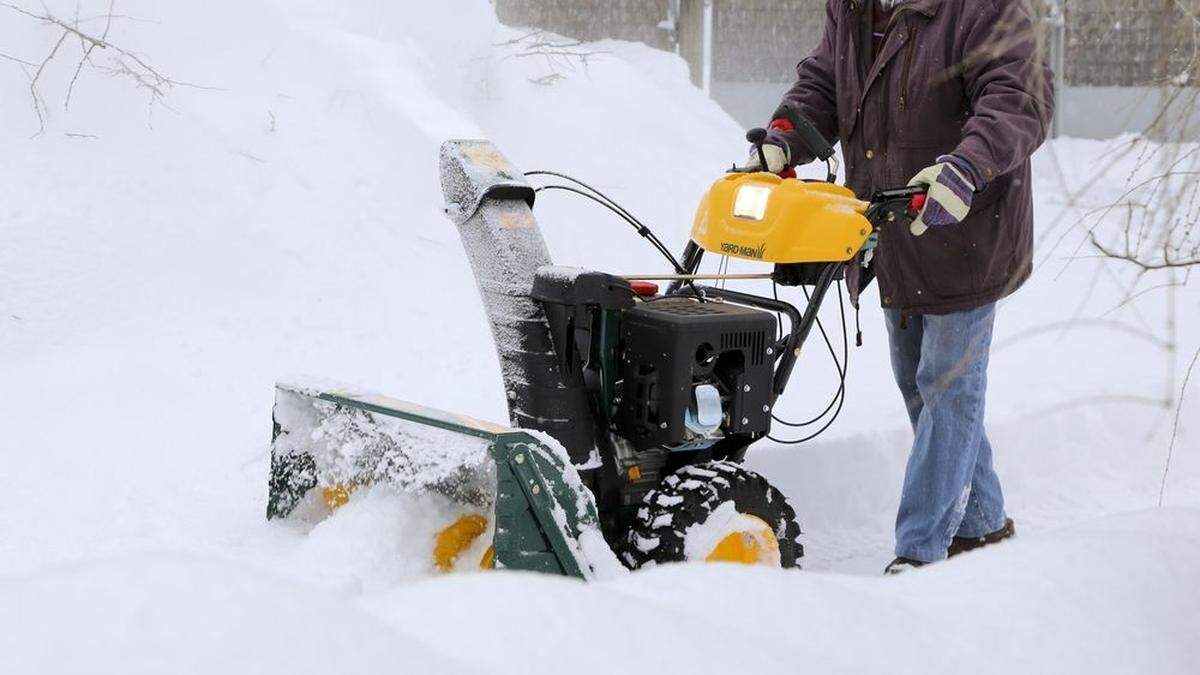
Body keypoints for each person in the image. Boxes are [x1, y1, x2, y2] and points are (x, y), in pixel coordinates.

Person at [750, 0, 1055, 573]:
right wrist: (786, 134)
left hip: (966, 228)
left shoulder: (983, 9)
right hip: (891, 227)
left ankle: (922, 553)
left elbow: (1019, 97)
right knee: (923, 386)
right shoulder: (852, 6)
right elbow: (825, 78)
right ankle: (983, 523)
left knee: (947, 388)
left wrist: (965, 166)